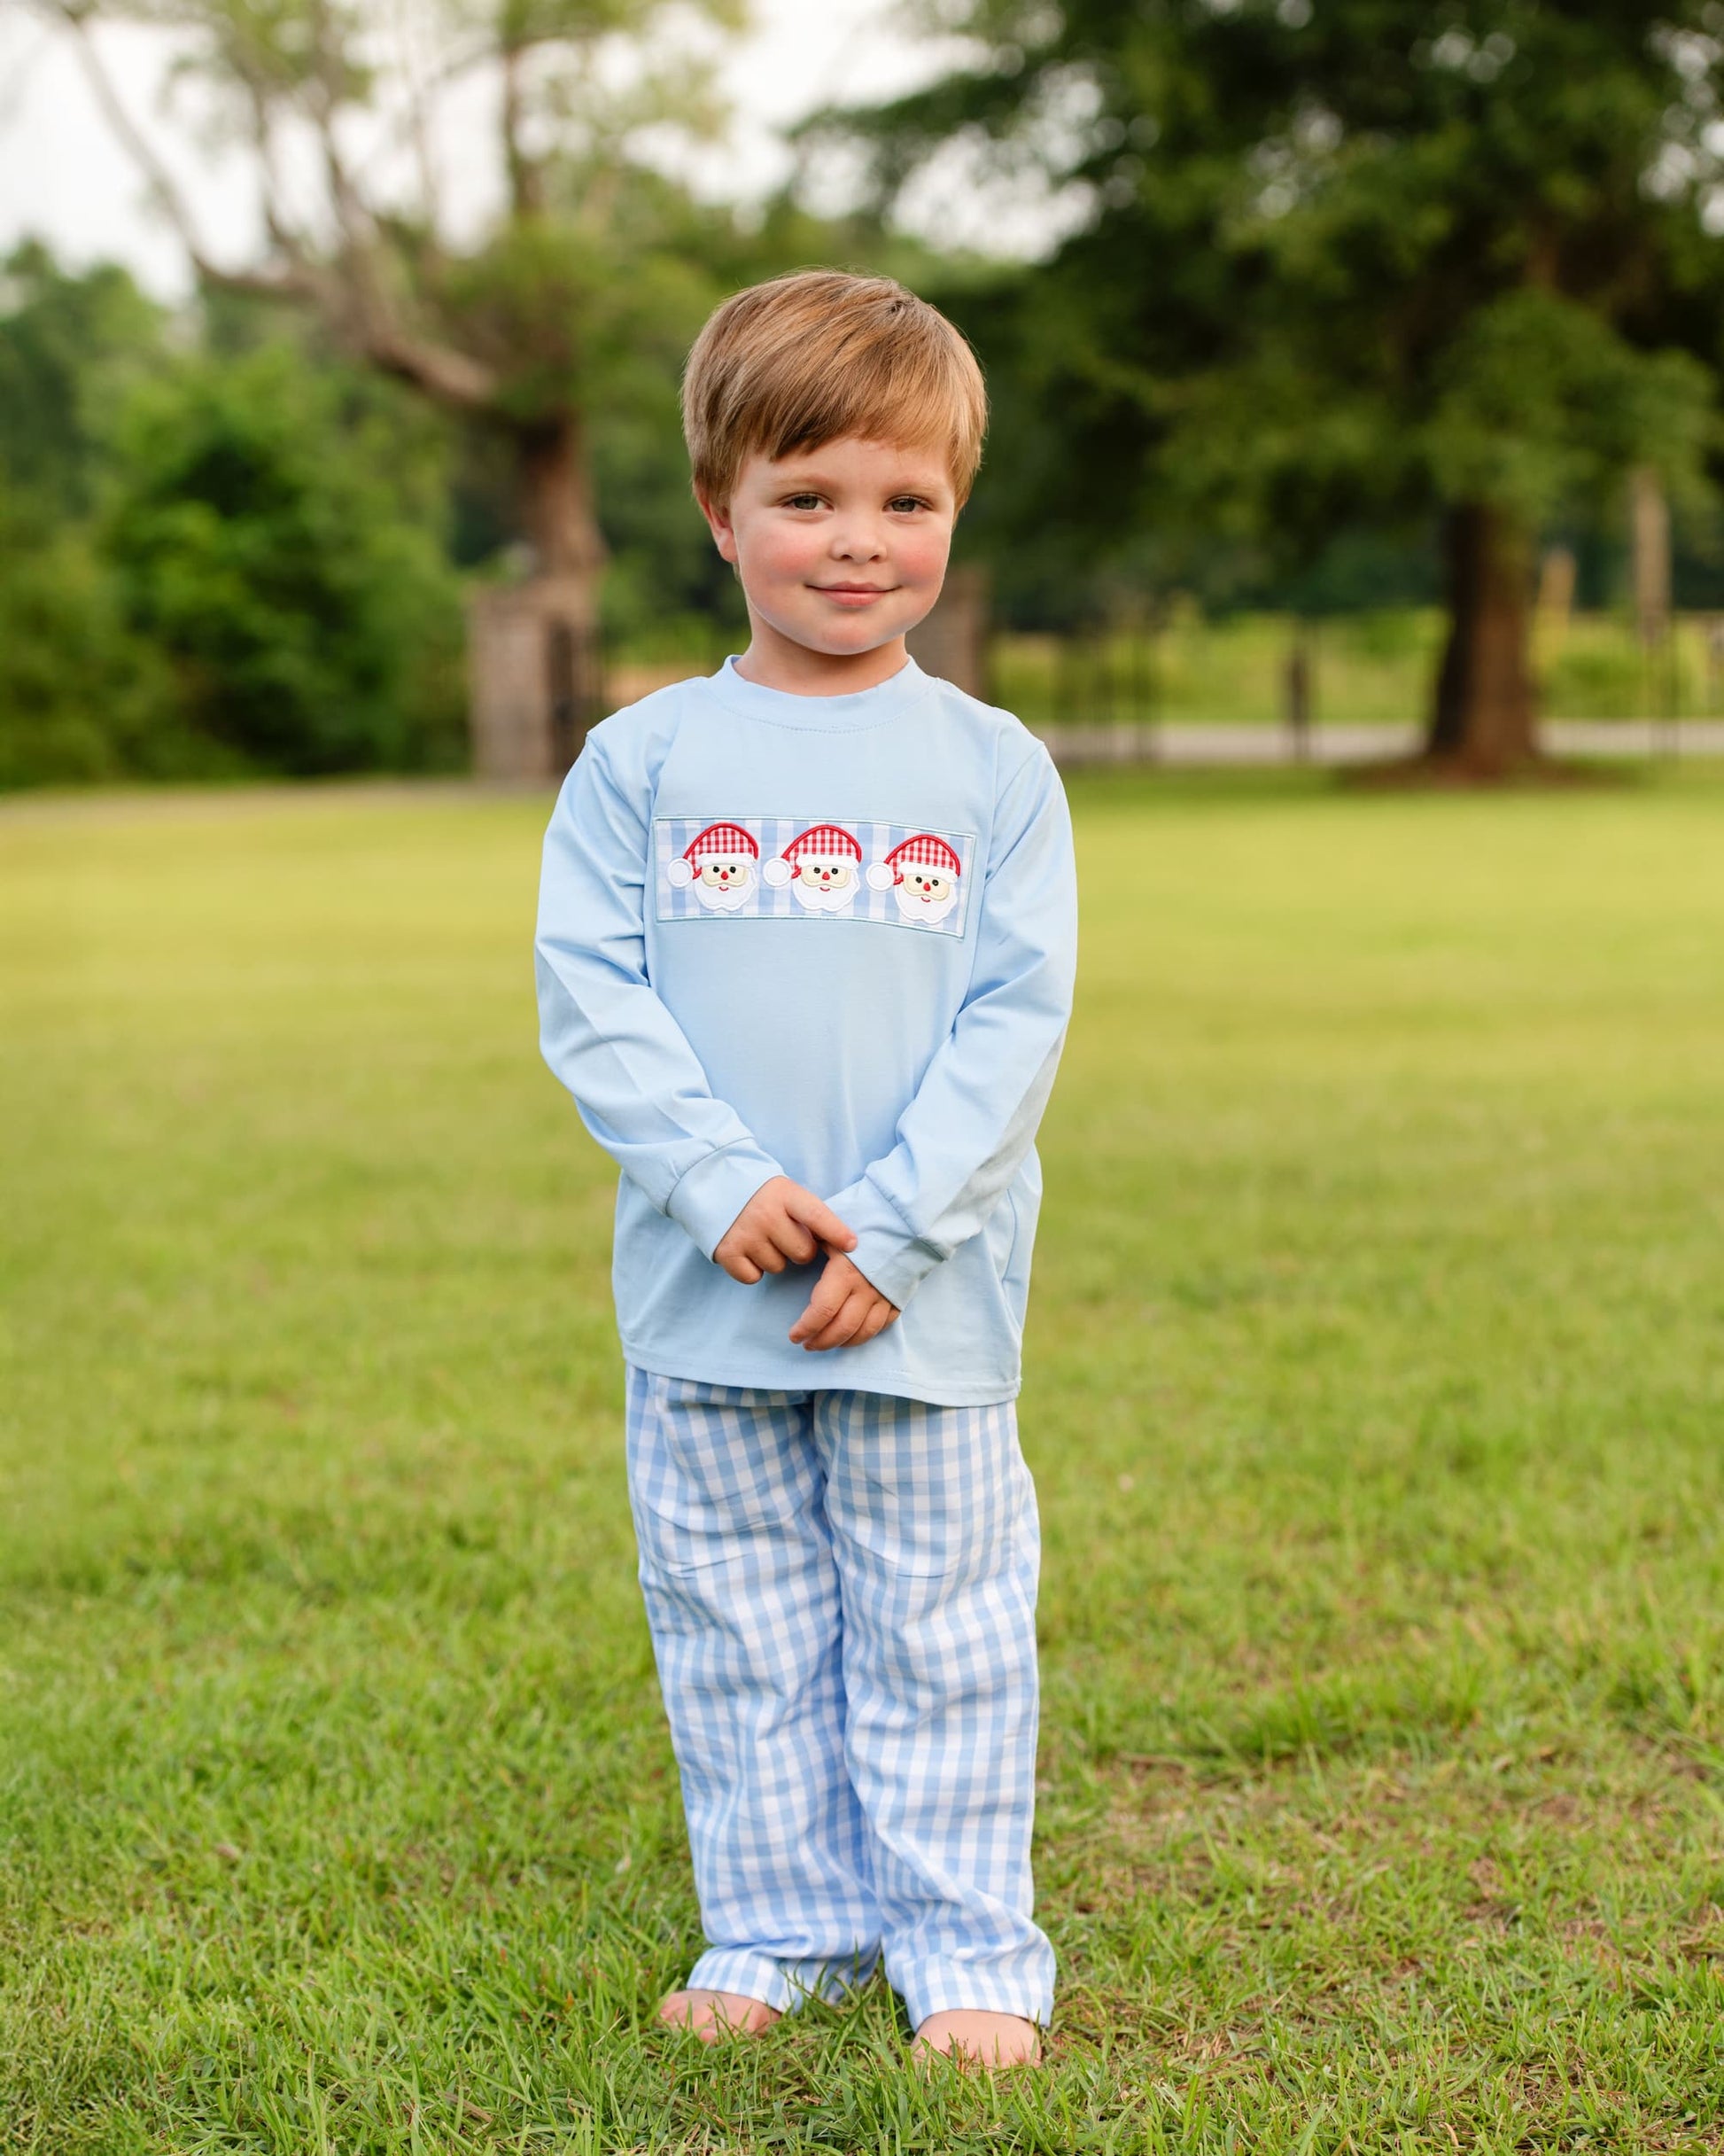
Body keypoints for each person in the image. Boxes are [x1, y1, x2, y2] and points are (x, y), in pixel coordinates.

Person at [535, 269, 1078, 2070]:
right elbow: (591, 992)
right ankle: (778, 1919)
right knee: (740, 1624)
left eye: (904, 499)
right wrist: (714, 1179)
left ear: (955, 511)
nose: (858, 540)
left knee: (938, 1621)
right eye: (807, 496)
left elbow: (1013, 1021)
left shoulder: (991, 768)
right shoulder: (642, 758)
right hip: (711, 1295)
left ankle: (964, 1945)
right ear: (720, 510)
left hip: (920, 1300)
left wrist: (900, 1228)